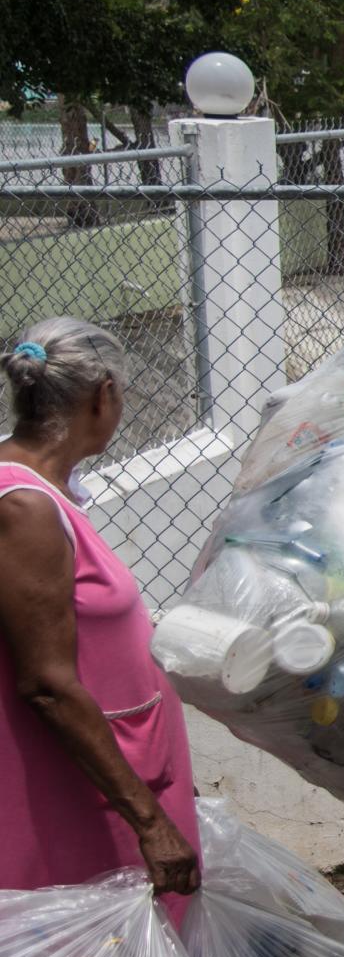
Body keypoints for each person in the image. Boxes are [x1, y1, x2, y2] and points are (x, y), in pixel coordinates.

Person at [0, 319, 202, 910]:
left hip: (114, 788)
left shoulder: (50, 493)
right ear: (102, 394)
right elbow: (47, 684)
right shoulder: (25, 509)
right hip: (74, 806)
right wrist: (149, 823)